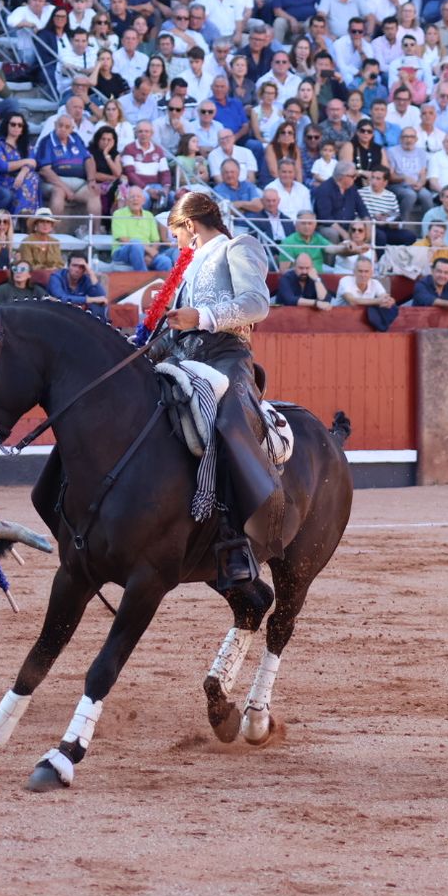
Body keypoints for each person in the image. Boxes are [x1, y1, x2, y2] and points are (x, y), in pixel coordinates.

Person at [153, 190, 276, 597]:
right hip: (181, 355)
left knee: (224, 421)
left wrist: (202, 316)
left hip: (226, 357)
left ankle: (234, 539)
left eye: (175, 234)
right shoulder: (184, 267)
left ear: (190, 226)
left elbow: (257, 304)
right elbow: (174, 326)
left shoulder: (238, 246)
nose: (175, 244)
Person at [46, 252, 107, 320]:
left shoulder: (85, 278)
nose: (77, 270)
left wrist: (91, 273)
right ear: (68, 266)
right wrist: (89, 299)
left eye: (81, 267)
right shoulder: (56, 277)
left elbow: (101, 297)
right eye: (74, 265)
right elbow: (60, 298)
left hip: (77, 315)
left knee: (98, 306)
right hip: (57, 313)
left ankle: (97, 329)